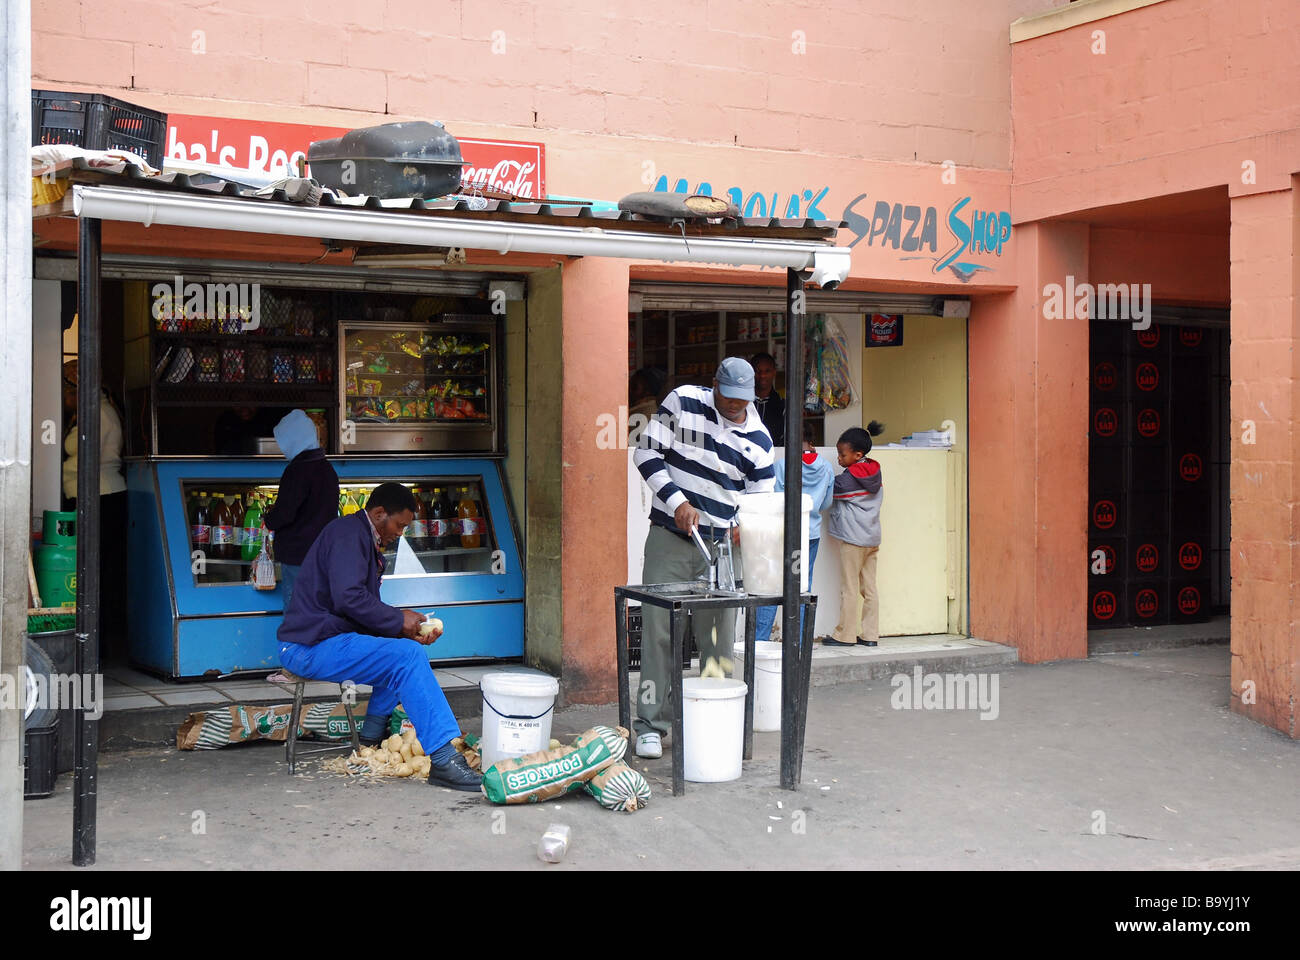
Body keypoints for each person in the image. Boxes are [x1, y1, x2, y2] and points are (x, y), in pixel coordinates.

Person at [277, 482, 481, 790]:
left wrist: (403, 629)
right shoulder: (347, 535)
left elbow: (359, 609)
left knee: (401, 650)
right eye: (399, 525)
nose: (401, 533)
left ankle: (369, 740)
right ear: (379, 513)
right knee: (406, 657)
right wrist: (399, 620)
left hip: (326, 639)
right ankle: (444, 760)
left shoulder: (361, 538)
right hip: (307, 646)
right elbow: (349, 598)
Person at [631, 357, 775, 759]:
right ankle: (650, 725)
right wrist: (677, 502)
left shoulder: (760, 441)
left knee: (716, 640)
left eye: (742, 401)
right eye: (728, 397)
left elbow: (760, 501)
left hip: (722, 549)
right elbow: (646, 454)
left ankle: (707, 721)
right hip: (670, 537)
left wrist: (744, 527)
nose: (734, 406)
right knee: (659, 631)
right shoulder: (682, 402)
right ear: (714, 384)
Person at [61, 360, 128, 652]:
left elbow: (88, 457)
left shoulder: (98, 414)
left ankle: (100, 641)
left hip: (102, 495)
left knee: (99, 570)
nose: (63, 396)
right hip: (96, 494)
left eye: (66, 389)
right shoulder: (91, 412)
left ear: (77, 389)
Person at [754, 423, 834, 644]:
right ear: (813, 441)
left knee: (771, 585)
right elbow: (826, 502)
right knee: (802, 586)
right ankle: (797, 642)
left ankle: (760, 641)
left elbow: (775, 500)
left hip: (782, 534)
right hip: (810, 534)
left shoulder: (782, 466)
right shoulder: (826, 468)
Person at [263, 409, 339, 611]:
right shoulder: (327, 469)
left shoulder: (297, 470)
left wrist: (269, 520)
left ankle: (296, 644)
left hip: (298, 554)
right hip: (323, 553)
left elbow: (286, 512)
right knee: (317, 609)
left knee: (296, 612)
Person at [820, 422, 885, 648]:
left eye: (842, 454)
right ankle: (870, 635)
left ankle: (845, 635)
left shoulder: (849, 479)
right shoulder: (874, 471)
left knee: (849, 588)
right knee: (870, 589)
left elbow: (828, 491)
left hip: (853, 540)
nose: (838, 458)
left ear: (858, 455)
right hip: (872, 538)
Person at [750, 352, 785, 447]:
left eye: (767, 371)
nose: (762, 376)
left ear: (774, 372)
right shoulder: (742, 403)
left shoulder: (783, 406)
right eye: (758, 371)